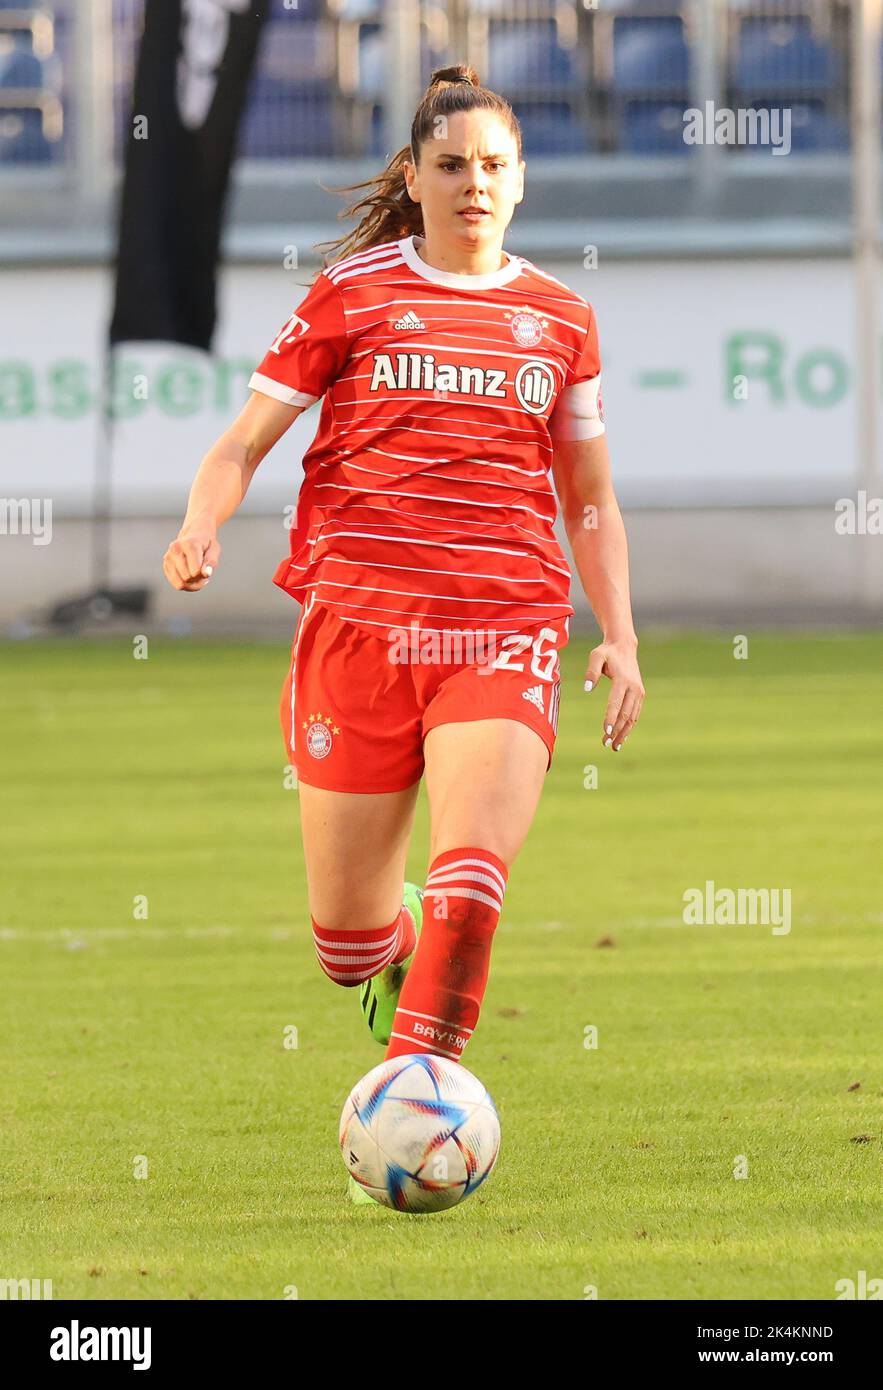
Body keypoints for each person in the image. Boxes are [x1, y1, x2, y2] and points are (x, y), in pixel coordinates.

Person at [163, 64, 644, 1200]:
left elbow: (588, 498)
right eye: (450, 165)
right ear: (416, 180)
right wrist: (198, 523)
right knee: (343, 943)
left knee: (474, 879)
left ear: (518, 183)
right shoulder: (354, 295)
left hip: (503, 626)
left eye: (492, 166)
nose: (472, 183)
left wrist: (618, 631)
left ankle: (410, 1110)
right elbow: (240, 445)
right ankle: (391, 958)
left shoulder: (559, 320)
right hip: (359, 636)